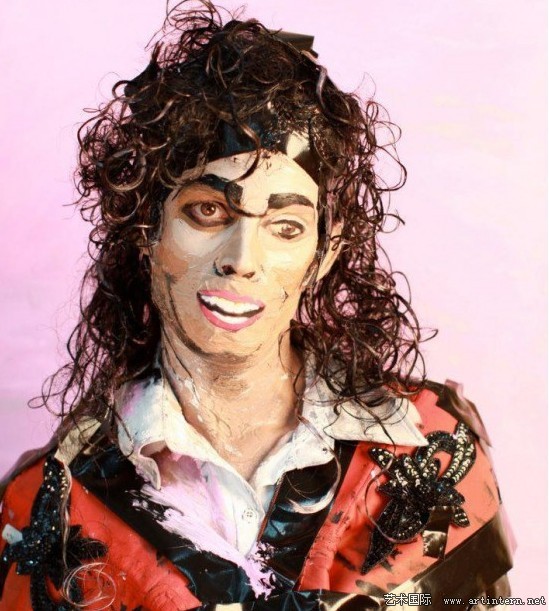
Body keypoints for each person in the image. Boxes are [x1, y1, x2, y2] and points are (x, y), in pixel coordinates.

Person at [0, 2, 513, 609]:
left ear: (324, 251)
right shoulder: (49, 506)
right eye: (207, 211)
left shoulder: (434, 451)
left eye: (286, 227)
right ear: (146, 227)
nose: (241, 258)